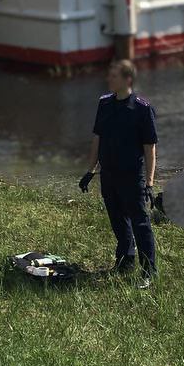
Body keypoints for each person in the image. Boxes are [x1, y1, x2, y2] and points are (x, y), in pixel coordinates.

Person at [79, 59, 158, 289]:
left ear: (127, 80)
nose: (108, 79)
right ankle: (125, 260)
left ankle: (148, 272)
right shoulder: (104, 104)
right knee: (117, 220)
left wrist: (150, 183)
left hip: (132, 176)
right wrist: (90, 170)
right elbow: (97, 138)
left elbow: (150, 148)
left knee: (140, 224)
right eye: (109, 75)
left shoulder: (142, 109)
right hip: (109, 174)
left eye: (114, 76)